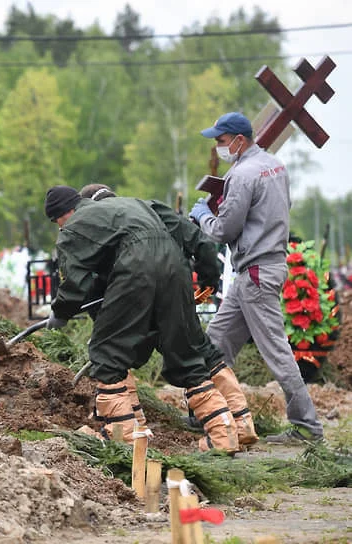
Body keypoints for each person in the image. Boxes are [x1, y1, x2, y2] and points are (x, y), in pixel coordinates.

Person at [45, 185, 238, 452]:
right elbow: (196, 239)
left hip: (136, 269)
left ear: (63, 214)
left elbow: (76, 281)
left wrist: (61, 311)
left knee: (106, 354)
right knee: (187, 354)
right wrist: (208, 274)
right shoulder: (136, 204)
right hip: (176, 268)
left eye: (57, 222)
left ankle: (124, 438)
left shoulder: (74, 227)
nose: (60, 227)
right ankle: (223, 435)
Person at [190, 112, 324, 444]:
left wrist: (202, 216)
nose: (219, 148)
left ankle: (307, 427)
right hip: (260, 268)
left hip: (255, 271)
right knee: (217, 340)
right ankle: (211, 412)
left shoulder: (242, 175)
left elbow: (224, 230)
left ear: (239, 140)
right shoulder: (274, 166)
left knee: (276, 351)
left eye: (221, 141)